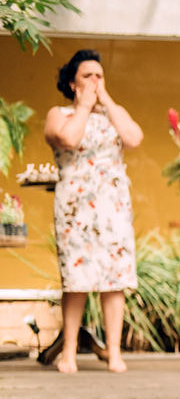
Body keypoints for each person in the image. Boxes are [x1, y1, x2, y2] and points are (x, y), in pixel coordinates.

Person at [44, 49, 143, 374]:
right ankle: (69, 351)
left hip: (112, 204)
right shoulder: (59, 114)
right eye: (88, 75)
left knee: (114, 278)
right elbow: (70, 139)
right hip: (75, 206)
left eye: (100, 75)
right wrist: (85, 105)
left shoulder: (114, 113)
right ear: (73, 82)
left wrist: (106, 101)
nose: (95, 81)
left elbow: (134, 138)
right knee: (76, 279)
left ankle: (114, 352)